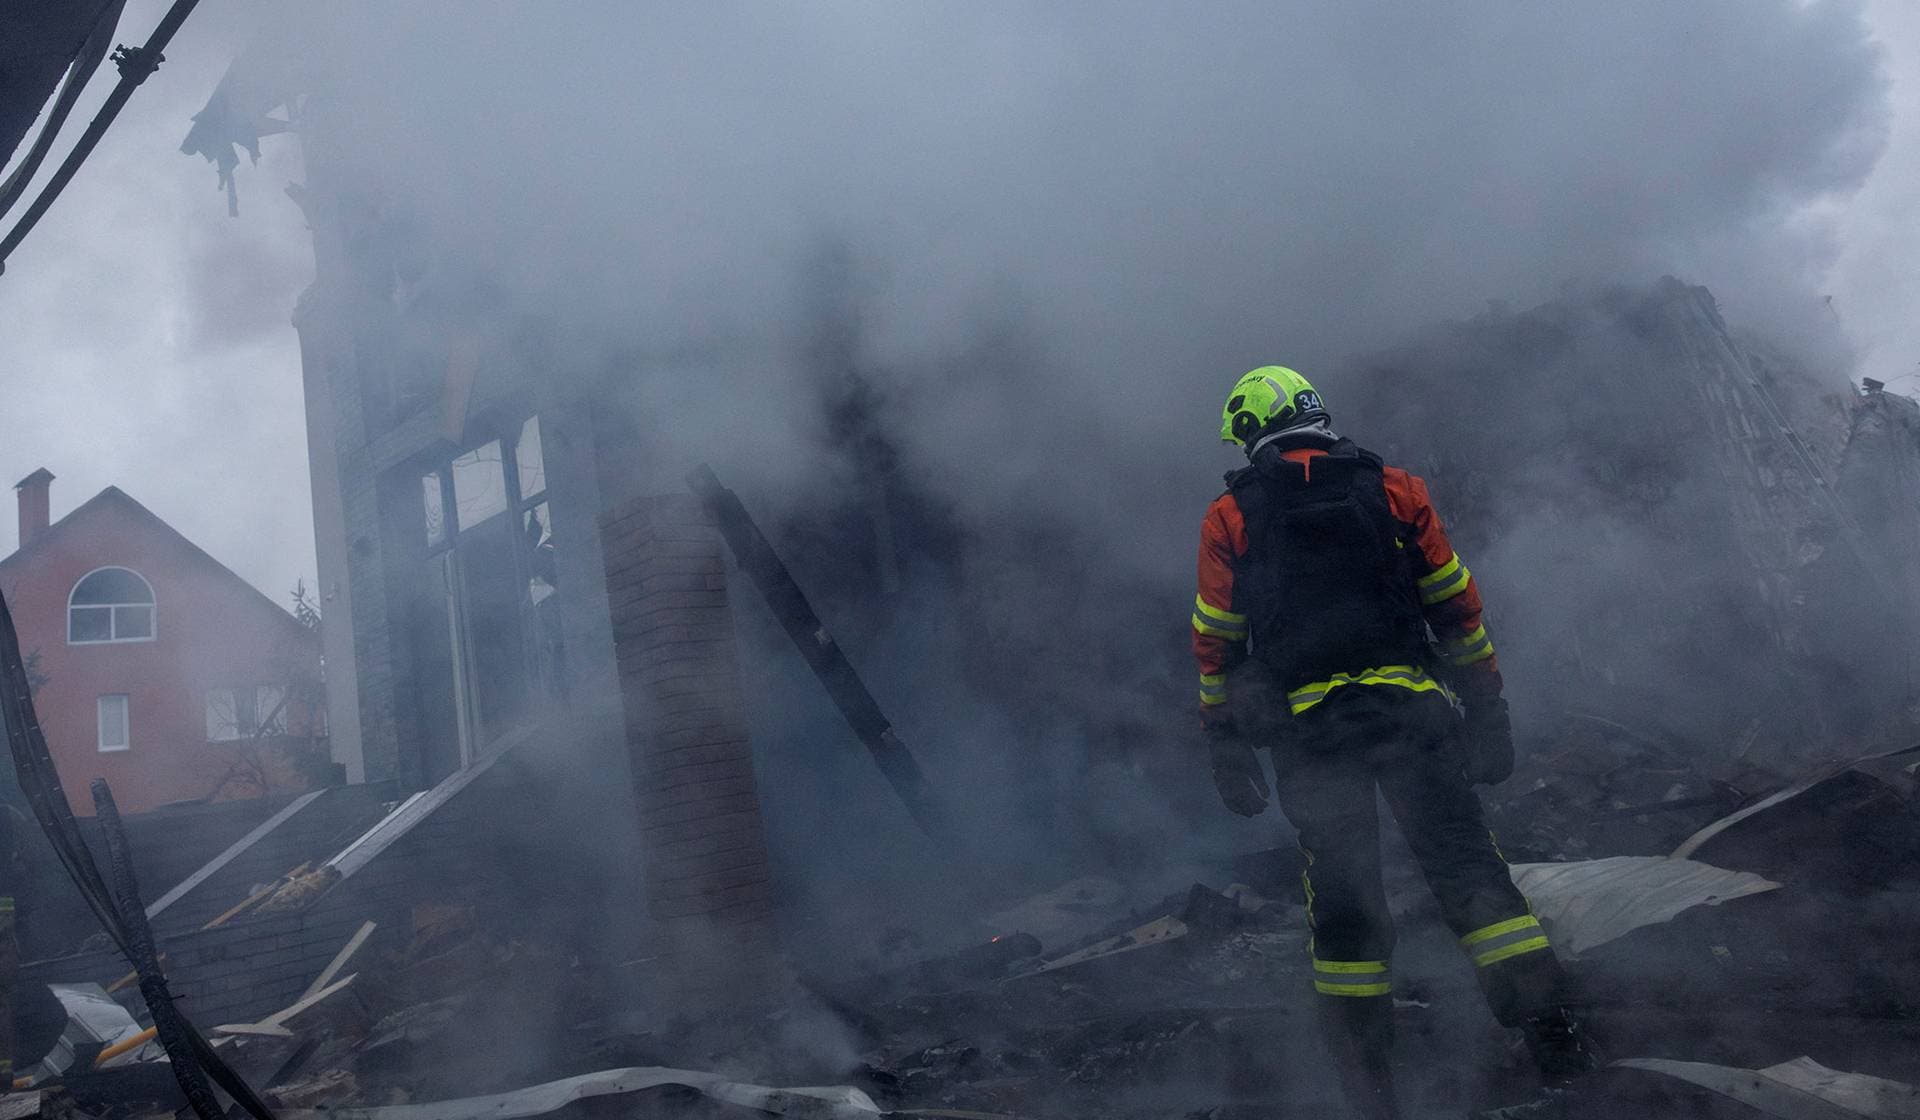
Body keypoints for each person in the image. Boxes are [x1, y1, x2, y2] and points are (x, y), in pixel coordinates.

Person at [1191, 366, 1597, 1118]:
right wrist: (1488, 707)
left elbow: (1217, 641)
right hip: (1413, 720)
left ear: (1255, 428)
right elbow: (1456, 605)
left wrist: (1224, 740)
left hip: (1313, 741)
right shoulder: (1397, 490)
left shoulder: (1230, 516)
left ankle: (1372, 1095)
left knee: (1344, 908)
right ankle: (1561, 1052)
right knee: (1475, 882)